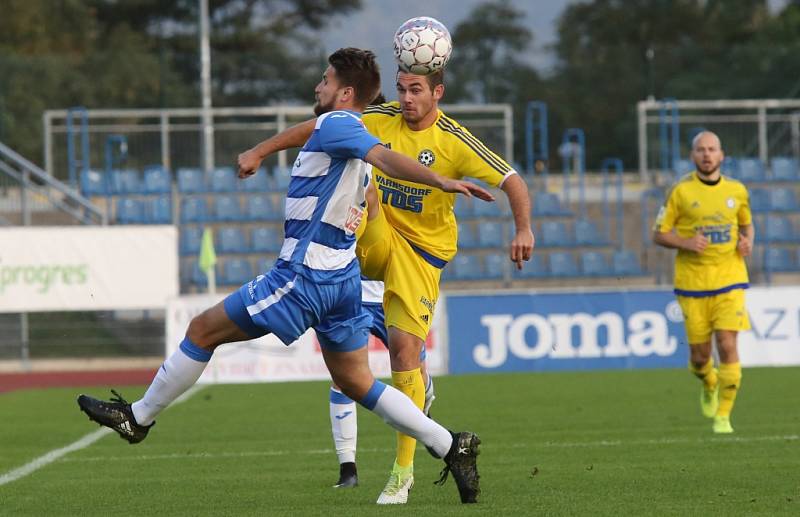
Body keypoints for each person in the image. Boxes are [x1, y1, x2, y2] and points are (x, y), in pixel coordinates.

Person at [77, 48, 490, 504]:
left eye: (325, 80)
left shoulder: (341, 124)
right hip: (342, 282)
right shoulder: (348, 130)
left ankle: (138, 418)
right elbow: (361, 166)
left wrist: (441, 181)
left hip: (303, 276)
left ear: (345, 92)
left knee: (201, 330)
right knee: (356, 382)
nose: (318, 87)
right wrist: (260, 150)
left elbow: (383, 158)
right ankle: (452, 445)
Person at [238, 66, 534, 504]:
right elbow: (318, 127)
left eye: (416, 90)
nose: (407, 98)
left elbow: (512, 180)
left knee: (403, 354)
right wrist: (261, 150)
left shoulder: (454, 139)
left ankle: (402, 472)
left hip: (422, 255)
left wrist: (523, 228)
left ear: (438, 93)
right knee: (364, 184)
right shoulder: (378, 117)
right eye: (402, 89)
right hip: (378, 236)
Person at [652, 130, 753, 434]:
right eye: (701, 150)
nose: (707, 155)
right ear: (693, 155)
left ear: (722, 155)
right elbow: (658, 234)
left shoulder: (738, 190)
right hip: (693, 283)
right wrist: (685, 242)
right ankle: (709, 381)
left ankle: (723, 415)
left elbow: (747, 225)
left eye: (712, 149)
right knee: (700, 358)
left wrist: (747, 242)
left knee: (727, 343)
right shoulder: (679, 192)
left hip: (730, 279)